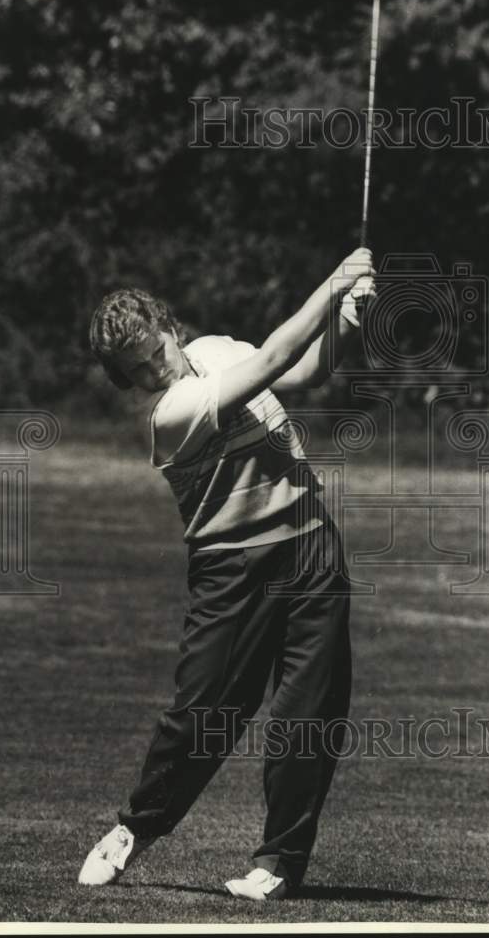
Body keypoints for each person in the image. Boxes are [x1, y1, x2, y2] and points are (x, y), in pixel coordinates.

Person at [78, 248, 376, 900]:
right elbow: (273, 358)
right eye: (136, 370)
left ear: (169, 326)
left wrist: (347, 319)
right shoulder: (169, 412)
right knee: (203, 714)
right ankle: (137, 827)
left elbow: (306, 368)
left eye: (156, 351)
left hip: (310, 547)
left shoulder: (216, 349)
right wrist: (334, 282)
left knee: (308, 713)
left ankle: (279, 863)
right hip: (232, 566)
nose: (154, 370)